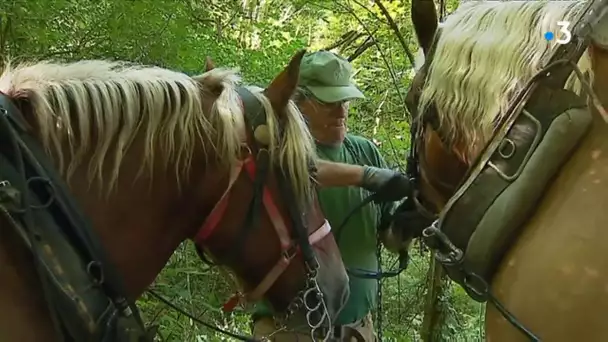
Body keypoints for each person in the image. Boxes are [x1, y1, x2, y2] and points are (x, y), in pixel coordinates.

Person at [251, 50, 409, 341]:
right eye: (329, 102)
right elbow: (301, 169)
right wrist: (366, 176)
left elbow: (388, 238)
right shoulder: (276, 149)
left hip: (359, 330)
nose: (341, 111)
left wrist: (409, 224)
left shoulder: (364, 151)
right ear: (298, 101)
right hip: (289, 331)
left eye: (344, 101)